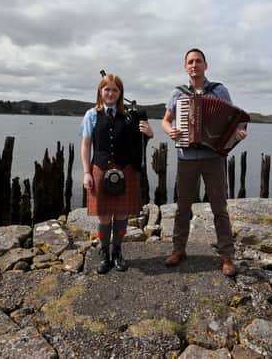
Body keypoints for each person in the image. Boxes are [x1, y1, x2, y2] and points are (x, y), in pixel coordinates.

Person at [161, 48, 247, 276]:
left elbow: (234, 121)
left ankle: (227, 256)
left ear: (205, 65)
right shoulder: (177, 94)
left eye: (198, 61)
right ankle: (178, 250)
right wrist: (171, 131)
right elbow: (166, 121)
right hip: (186, 158)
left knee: (219, 207)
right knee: (182, 208)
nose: (194, 65)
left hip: (213, 158)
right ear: (185, 67)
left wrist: (238, 133)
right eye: (190, 62)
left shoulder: (219, 91)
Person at [79, 74, 153, 274]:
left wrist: (149, 133)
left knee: (121, 215)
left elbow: (138, 142)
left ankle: (118, 252)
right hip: (100, 170)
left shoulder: (130, 116)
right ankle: (105, 254)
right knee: (104, 216)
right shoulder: (91, 115)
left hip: (125, 168)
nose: (110, 93)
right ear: (100, 92)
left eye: (115, 90)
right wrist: (86, 172)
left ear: (120, 94)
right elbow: (85, 146)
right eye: (107, 89)